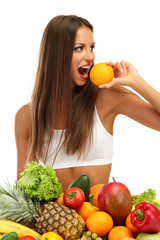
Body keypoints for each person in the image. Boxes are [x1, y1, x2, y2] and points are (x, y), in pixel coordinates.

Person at [15, 15, 160, 191]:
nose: (90, 56)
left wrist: (136, 82)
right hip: (55, 218)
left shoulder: (106, 96)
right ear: (56, 54)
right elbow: (23, 191)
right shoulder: (27, 117)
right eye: (79, 48)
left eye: (91, 48)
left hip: (100, 217)